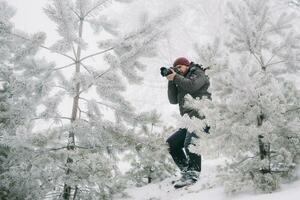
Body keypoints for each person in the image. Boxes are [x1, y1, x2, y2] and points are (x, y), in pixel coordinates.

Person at [165, 57, 211, 188]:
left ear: (187, 65)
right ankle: (187, 171)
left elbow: (193, 85)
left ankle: (194, 173)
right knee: (171, 144)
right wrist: (170, 80)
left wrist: (176, 77)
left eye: (180, 67)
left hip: (201, 115)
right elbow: (173, 100)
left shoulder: (198, 72)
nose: (178, 69)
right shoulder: (180, 80)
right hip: (188, 120)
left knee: (190, 143)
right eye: (176, 68)